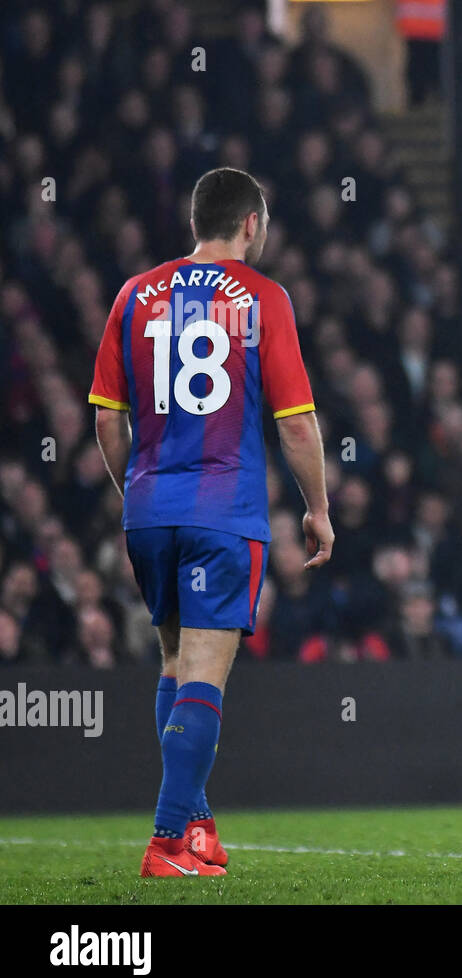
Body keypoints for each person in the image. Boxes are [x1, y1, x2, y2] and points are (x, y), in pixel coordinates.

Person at [88, 168, 333, 877]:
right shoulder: (262, 299)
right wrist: (316, 509)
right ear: (251, 224)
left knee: (173, 662)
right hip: (223, 514)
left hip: (149, 511)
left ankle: (198, 829)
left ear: (198, 220)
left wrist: (133, 490)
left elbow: (108, 418)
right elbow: (296, 424)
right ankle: (167, 840)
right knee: (205, 676)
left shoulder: (134, 295)